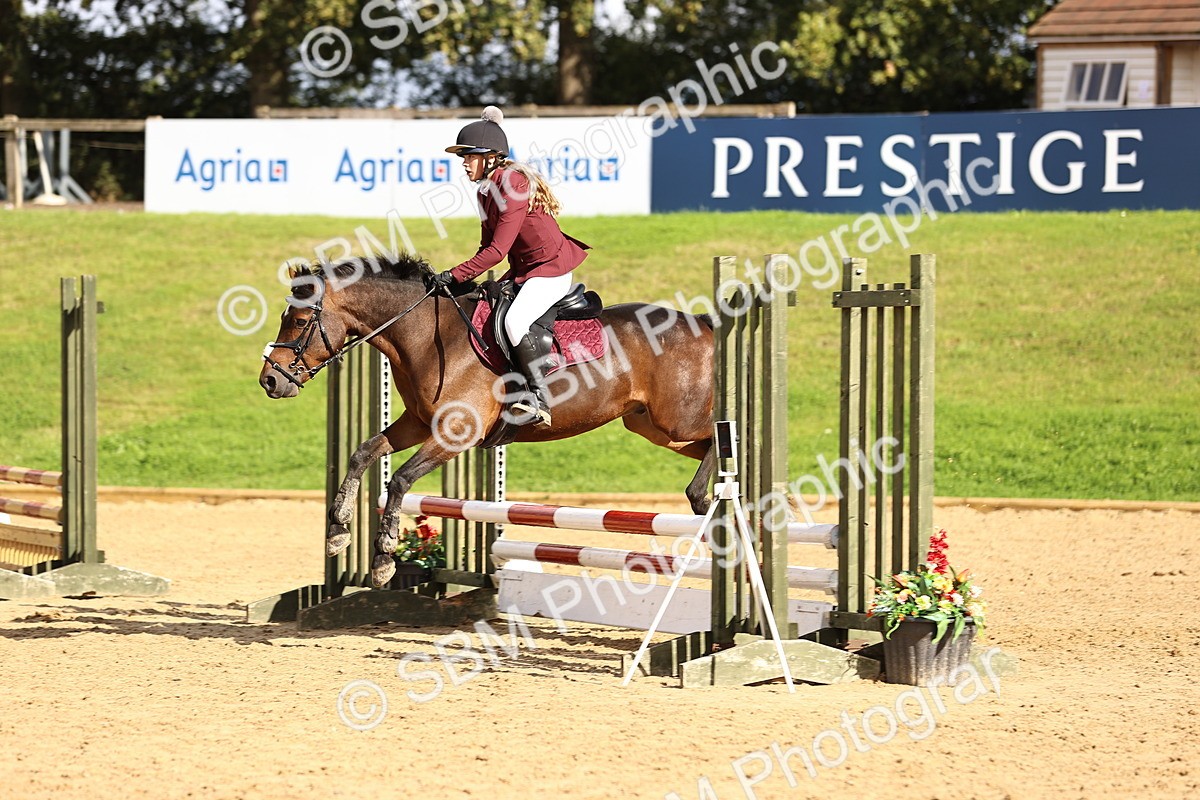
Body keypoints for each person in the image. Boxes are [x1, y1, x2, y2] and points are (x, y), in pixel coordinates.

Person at [429, 106, 589, 428]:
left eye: (469, 156)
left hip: (551, 269)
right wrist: (463, 280)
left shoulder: (512, 184)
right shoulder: (485, 191)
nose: (463, 162)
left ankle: (538, 398)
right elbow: (486, 247)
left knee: (515, 322)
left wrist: (454, 274)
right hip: (524, 271)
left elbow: (498, 251)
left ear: (490, 157)